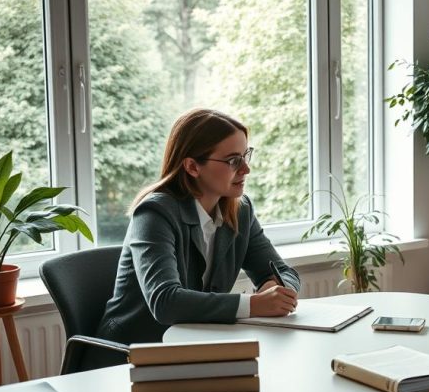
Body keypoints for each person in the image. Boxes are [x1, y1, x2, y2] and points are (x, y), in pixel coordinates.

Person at [97, 108, 301, 364]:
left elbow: (285, 271)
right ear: (192, 166)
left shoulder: (240, 210)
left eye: (246, 156)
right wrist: (255, 304)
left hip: (197, 349)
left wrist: (277, 290)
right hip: (132, 357)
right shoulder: (154, 213)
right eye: (233, 160)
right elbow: (166, 302)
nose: (246, 169)